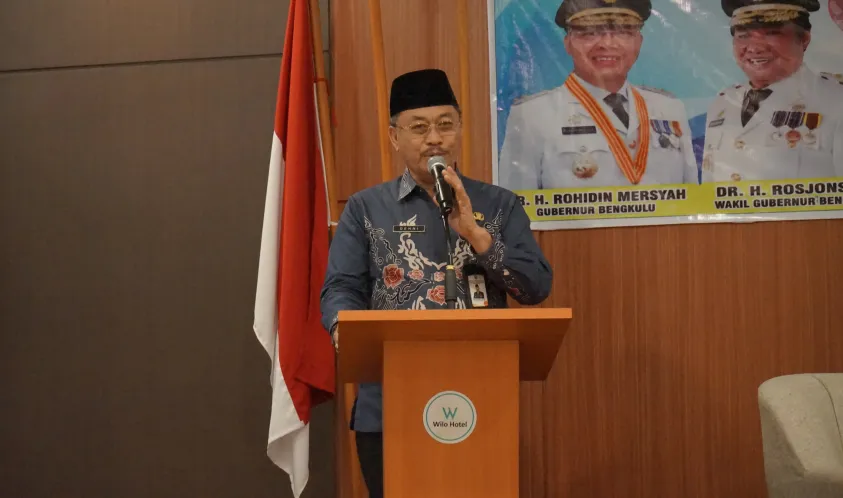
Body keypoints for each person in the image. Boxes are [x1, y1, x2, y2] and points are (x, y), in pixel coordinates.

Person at [319, 68, 553, 498]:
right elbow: (341, 288)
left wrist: (478, 236)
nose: (434, 139)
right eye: (419, 127)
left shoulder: (498, 204)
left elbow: (535, 286)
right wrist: (345, 333)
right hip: (389, 406)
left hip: (481, 398)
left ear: (460, 130)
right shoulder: (366, 209)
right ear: (395, 137)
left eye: (445, 125)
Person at [497, 0, 699, 190]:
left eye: (622, 31)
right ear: (567, 43)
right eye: (590, 32)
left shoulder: (669, 109)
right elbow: (515, 207)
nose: (607, 44)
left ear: (638, 42)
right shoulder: (532, 116)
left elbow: (692, 202)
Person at [702, 0, 843, 182]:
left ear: (804, 39)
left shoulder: (836, 100)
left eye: (771, 33)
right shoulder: (722, 103)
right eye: (743, 35)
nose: (754, 48)